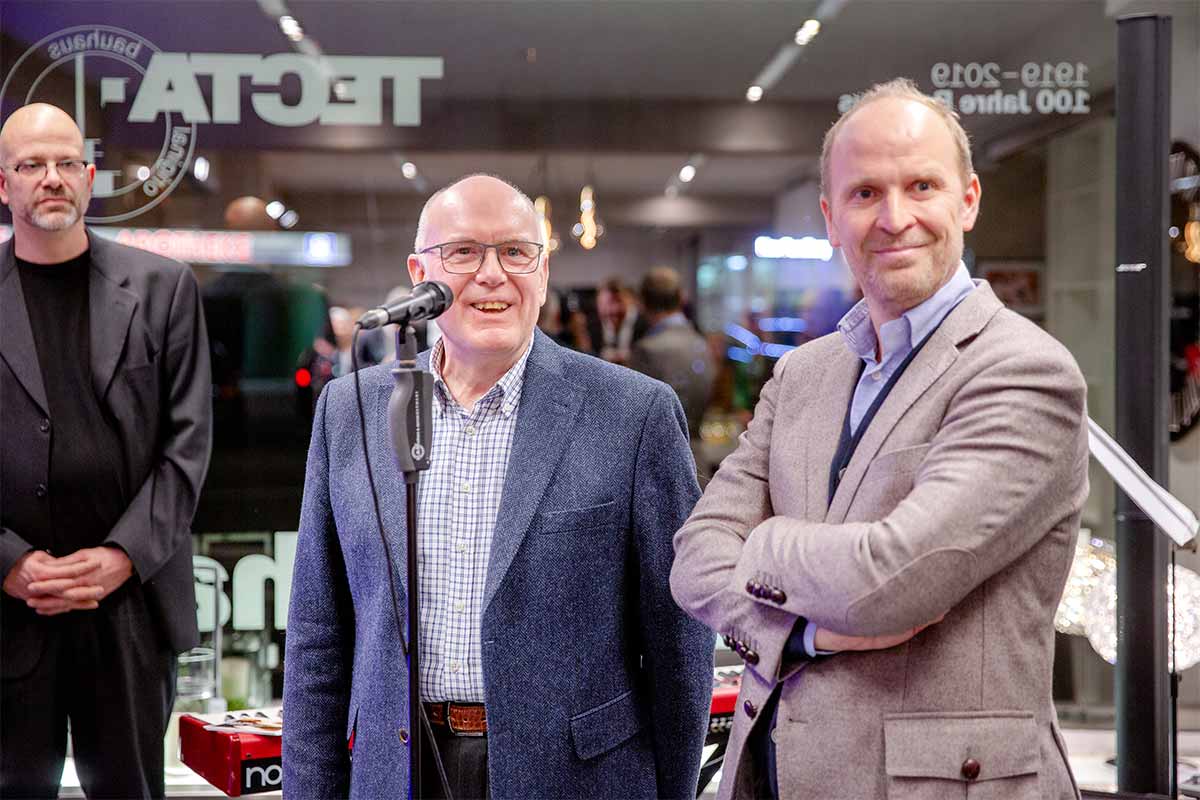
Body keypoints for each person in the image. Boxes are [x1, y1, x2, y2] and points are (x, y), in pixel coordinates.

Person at [670, 78, 1088, 800]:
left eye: (922, 186)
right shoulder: (803, 373)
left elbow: (892, 581)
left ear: (968, 200)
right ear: (831, 219)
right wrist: (803, 635)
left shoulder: (1024, 372)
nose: (895, 218)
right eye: (865, 194)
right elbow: (696, 557)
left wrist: (763, 544)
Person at [283, 174, 713, 799]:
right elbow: (317, 637)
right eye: (463, 252)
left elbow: (679, 643)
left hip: (574, 780)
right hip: (395, 772)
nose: (493, 274)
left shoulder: (632, 414)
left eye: (515, 251)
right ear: (419, 274)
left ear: (542, 272)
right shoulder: (351, 411)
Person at [0, 103, 212, 798]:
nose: (51, 177)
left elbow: (187, 447)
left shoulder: (163, 289)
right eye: (31, 165)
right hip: (8, 604)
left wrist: (122, 555)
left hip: (130, 605)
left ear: (90, 179)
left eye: (67, 163)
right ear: (4, 185)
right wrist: (9, 562)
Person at [629, 267, 714, 467]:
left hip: (660, 464)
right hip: (698, 459)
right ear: (681, 298)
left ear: (642, 303)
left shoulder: (647, 350)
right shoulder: (702, 344)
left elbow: (634, 419)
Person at [593, 276, 647, 364]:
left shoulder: (646, 323)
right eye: (605, 303)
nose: (612, 309)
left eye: (618, 301)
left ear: (631, 300)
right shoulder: (592, 323)